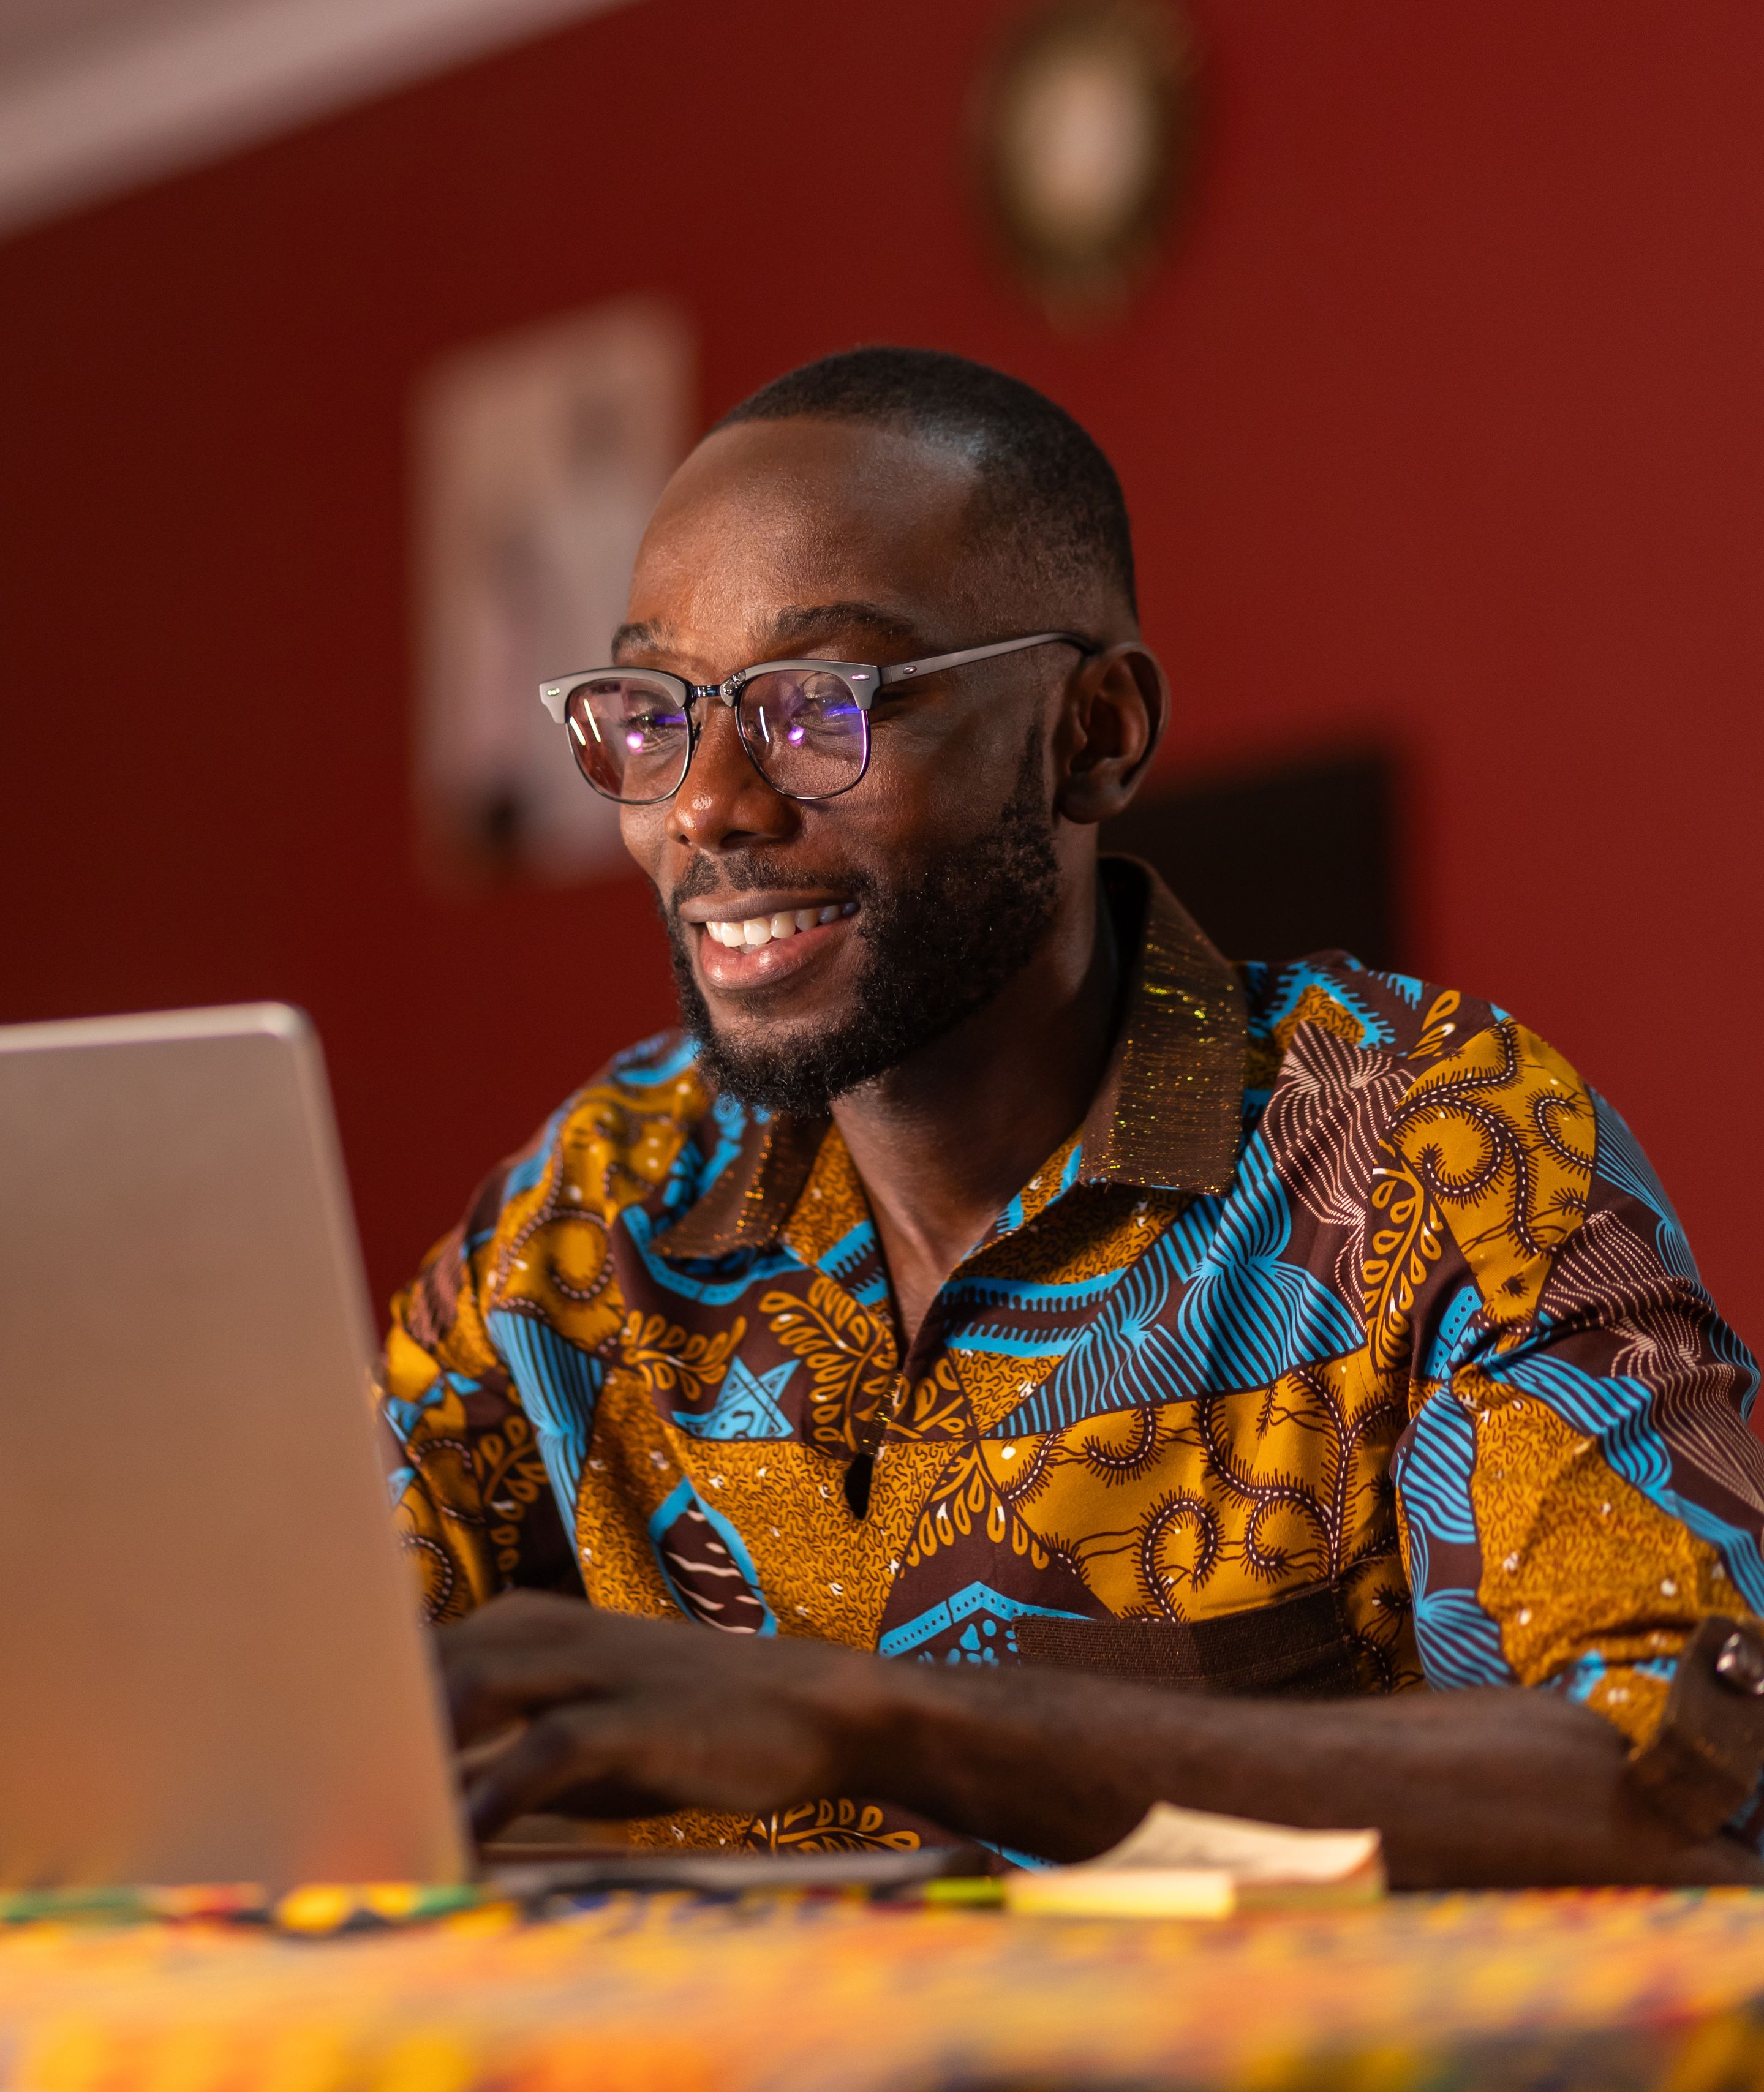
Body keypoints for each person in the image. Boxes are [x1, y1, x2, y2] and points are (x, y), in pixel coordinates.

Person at [386, 345, 1764, 1884]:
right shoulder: (600, 1204)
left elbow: (1678, 1777)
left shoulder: (1428, 1150)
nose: (706, 803)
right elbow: (296, 1667)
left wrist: (874, 1722)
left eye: (818, 704)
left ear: (1094, 734)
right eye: (654, 713)